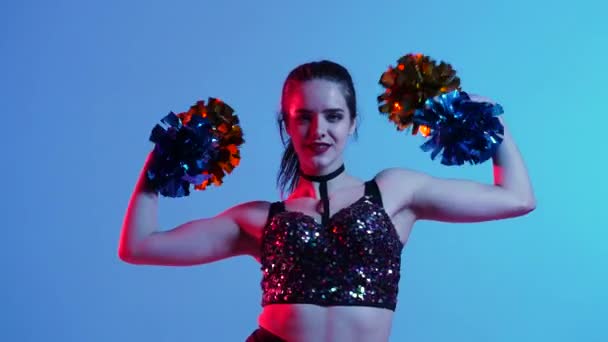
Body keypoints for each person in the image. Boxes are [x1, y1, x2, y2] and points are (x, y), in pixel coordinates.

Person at [118, 60, 536, 342]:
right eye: (304, 116)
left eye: (333, 116)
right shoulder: (259, 219)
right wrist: (163, 159)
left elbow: (516, 198)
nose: (319, 129)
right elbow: (138, 246)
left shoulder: (395, 192)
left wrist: (491, 123)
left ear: (353, 123)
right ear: (287, 125)